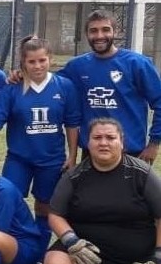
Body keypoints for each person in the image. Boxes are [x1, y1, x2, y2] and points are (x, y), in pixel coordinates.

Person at [0, 36, 81, 264]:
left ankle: (37, 260)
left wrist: (72, 155)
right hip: (19, 158)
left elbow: (71, 123)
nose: (38, 66)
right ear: (23, 64)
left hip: (51, 160)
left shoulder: (64, 86)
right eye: (31, 61)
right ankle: (4, 259)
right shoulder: (12, 88)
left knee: (45, 209)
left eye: (42, 60)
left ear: (50, 59)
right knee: (7, 202)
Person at [44, 118, 161, 264]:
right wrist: (71, 241)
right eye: (97, 137)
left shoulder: (141, 173)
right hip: (85, 252)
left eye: (110, 137)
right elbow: (55, 214)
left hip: (130, 259)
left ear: (122, 142)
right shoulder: (75, 175)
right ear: (88, 143)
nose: (103, 143)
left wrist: (159, 257)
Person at [57, 9, 161, 163]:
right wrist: (21, 75)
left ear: (115, 31)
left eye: (105, 30)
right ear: (87, 34)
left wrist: (154, 144)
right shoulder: (77, 66)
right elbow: (46, 82)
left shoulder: (137, 63)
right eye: (94, 31)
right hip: (91, 152)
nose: (99, 36)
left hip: (130, 153)